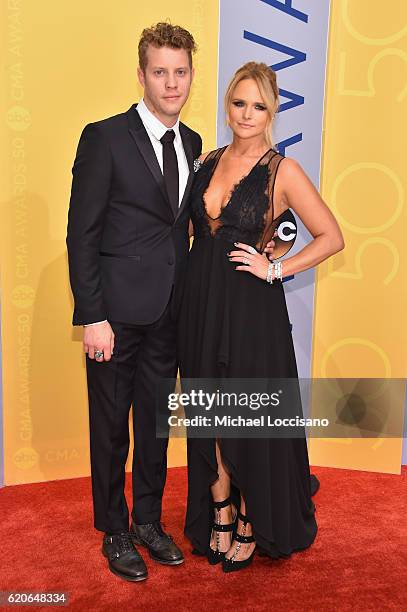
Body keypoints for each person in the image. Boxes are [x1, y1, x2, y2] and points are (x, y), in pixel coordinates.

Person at [178, 61, 344, 572]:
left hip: (252, 310)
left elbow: (331, 237)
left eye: (258, 106)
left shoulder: (282, 170)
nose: (246, 114)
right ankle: (221, 508)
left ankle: (251, 515)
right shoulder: (205, 160)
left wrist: (275, 268)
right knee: (208, 413)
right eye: (238, 103)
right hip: (199, 304)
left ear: (272, 111)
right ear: (227, 105)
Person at [66, 22, 203, 582]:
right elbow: (82, 234)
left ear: (191, 74)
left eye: (181, 71)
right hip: (114, 318)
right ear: (142, 74)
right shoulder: (104, 137)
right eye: (160, 72)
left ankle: (148, 520)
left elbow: (189, 227)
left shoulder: (192, 144)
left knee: (153, 425)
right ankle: (115, 530)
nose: (172, 83)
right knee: (109, 427)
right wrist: (92, 316)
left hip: (169, 313)